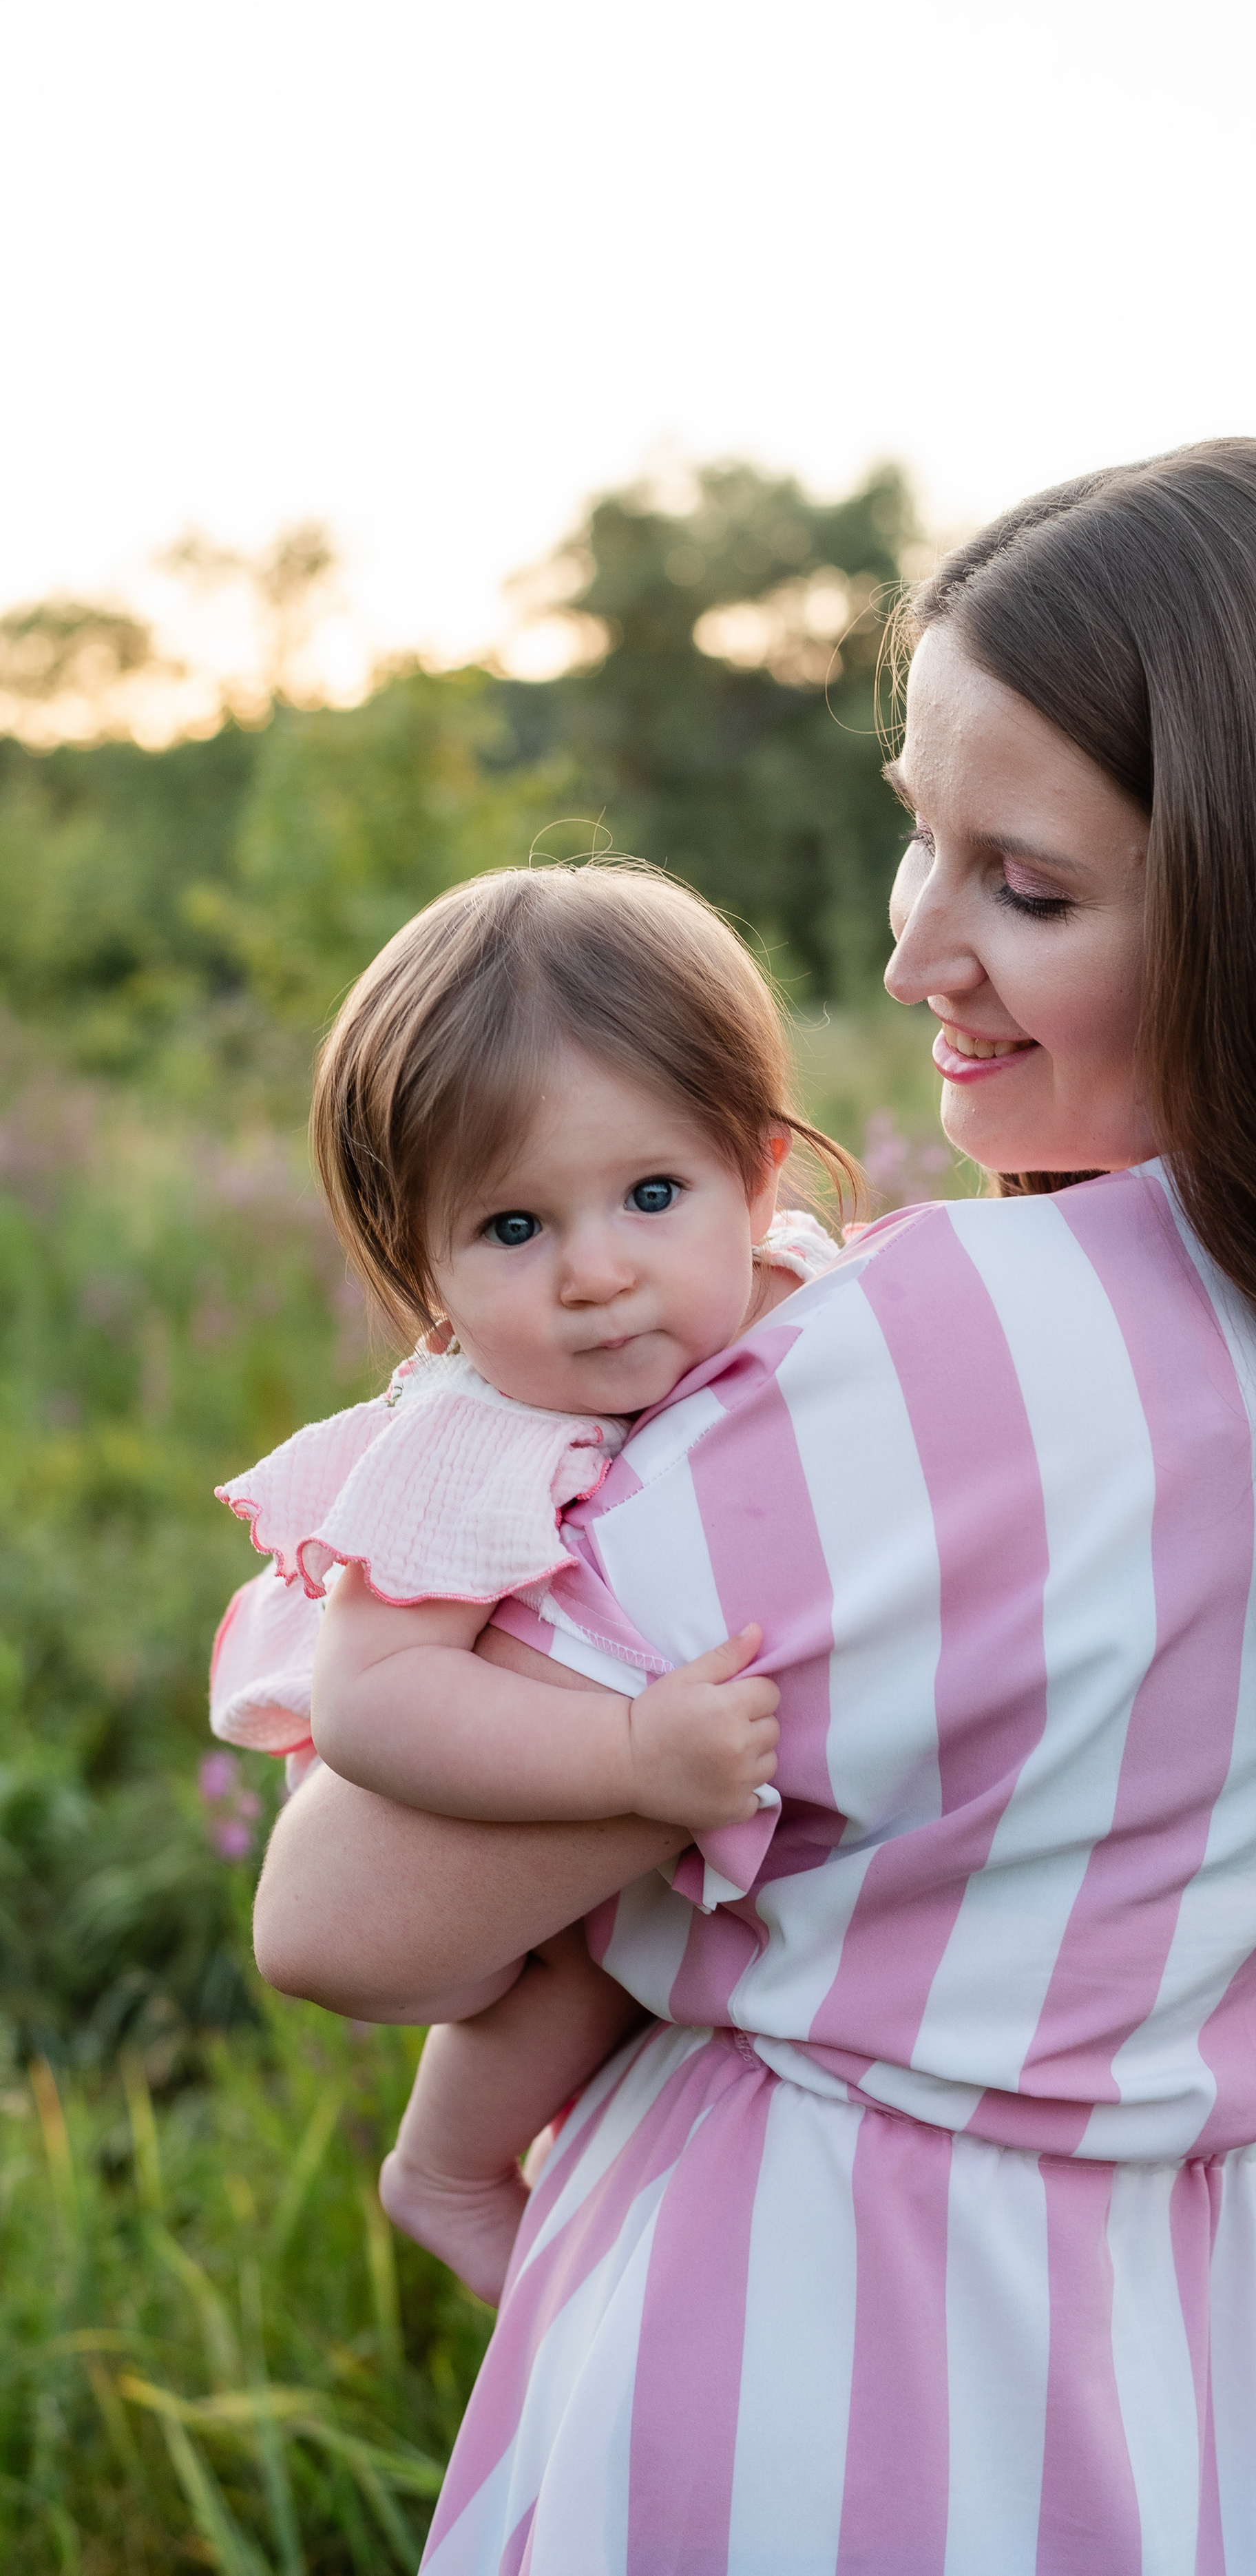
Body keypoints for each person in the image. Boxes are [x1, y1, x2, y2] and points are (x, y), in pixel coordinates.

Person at [251, 441, 1256, 2575]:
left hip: (831, 2379)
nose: (918, 949)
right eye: (918, 838)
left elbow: (335, 1921)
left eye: (1030, 888)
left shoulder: (928, 1372)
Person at [210, 864, 852, 2302]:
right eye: (513, 1229)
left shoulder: (805, 1293)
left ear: (754, 1174)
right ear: (422, 1259)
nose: (595, 1273)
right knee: (580, 1962)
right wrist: (625, 1755)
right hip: (452, 1776)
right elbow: (372, 1702)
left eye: (648, 1194)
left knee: (650, 1963)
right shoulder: (479, 1433)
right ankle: (445, 2172)